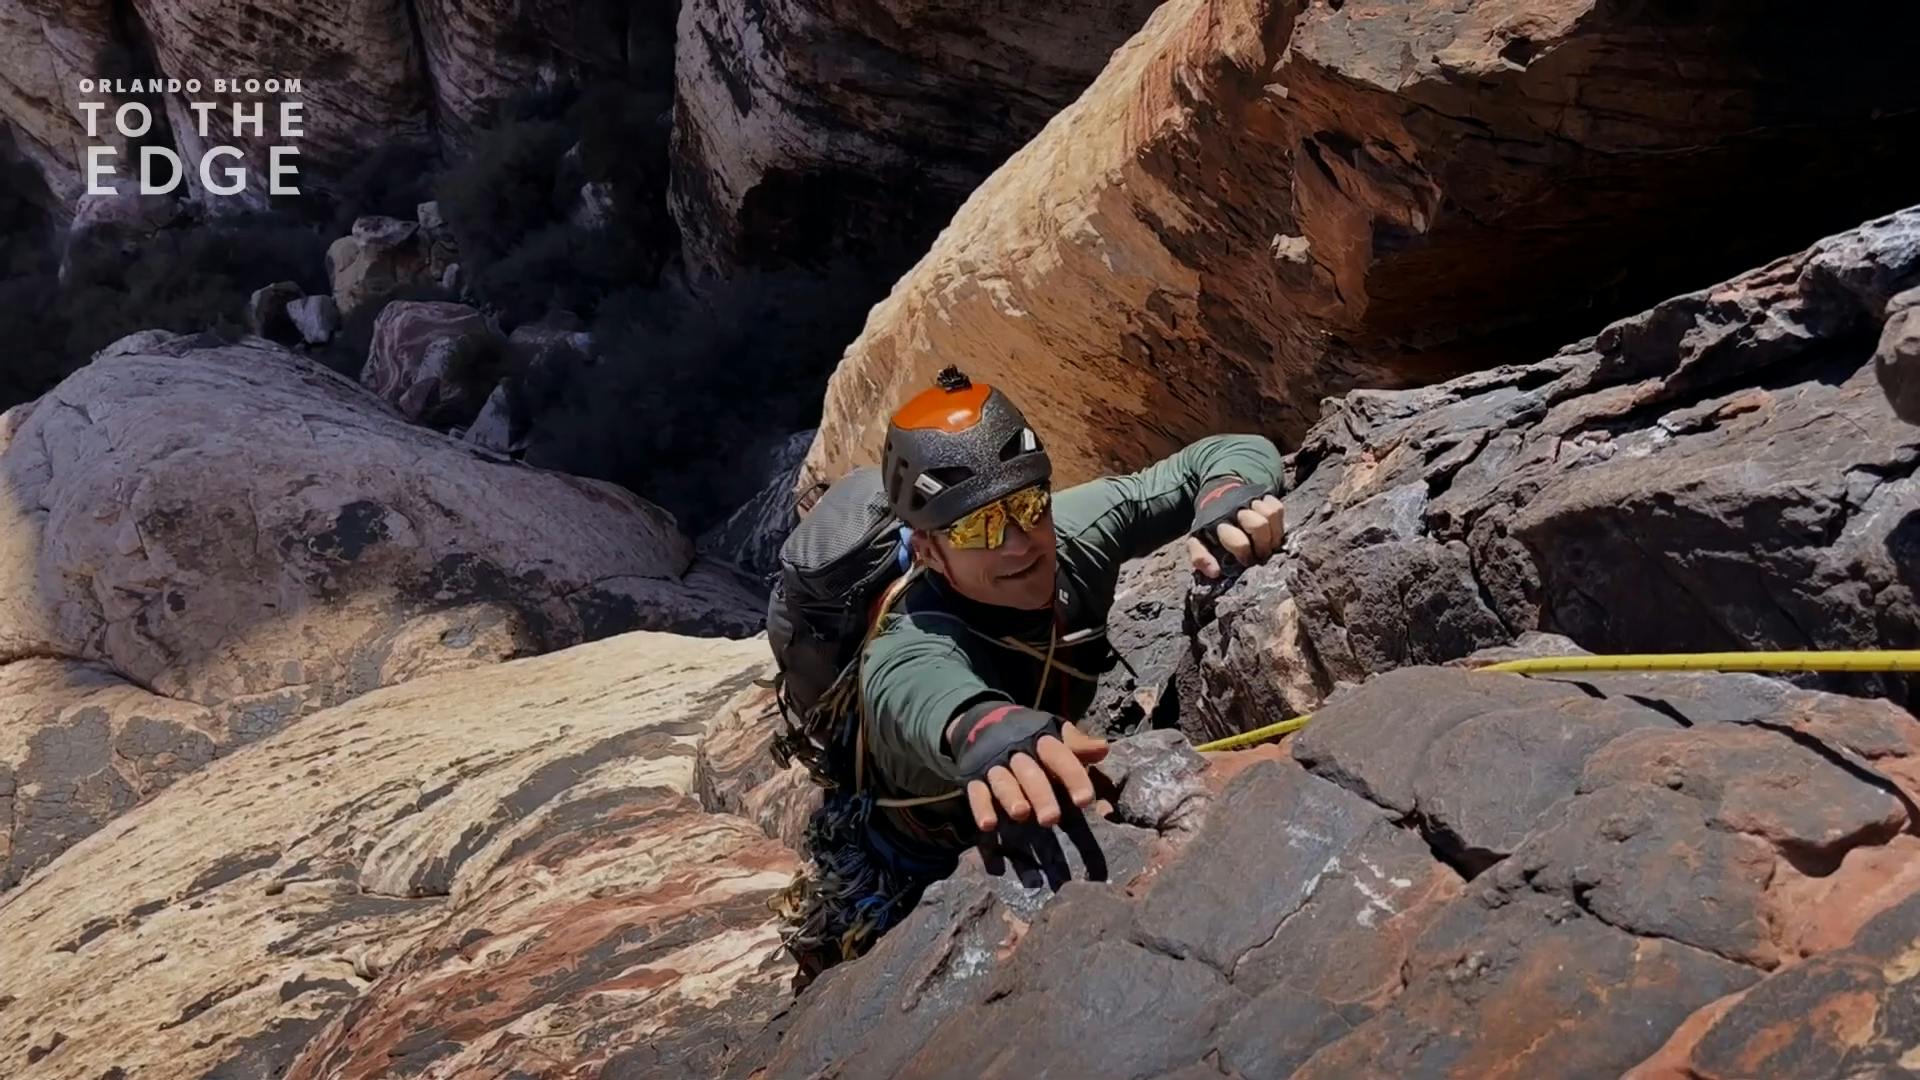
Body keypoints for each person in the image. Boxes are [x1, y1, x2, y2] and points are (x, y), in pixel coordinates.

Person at [781, 366, 1285, 973]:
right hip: (915, 856)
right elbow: (916, 690)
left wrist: (1228, 497)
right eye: (978, 526)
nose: (1019, 542)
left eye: (1026, 504)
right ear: (928, 550)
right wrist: (985, 729)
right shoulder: (908, 638)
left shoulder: (1074, 532)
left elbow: (1224, 454)